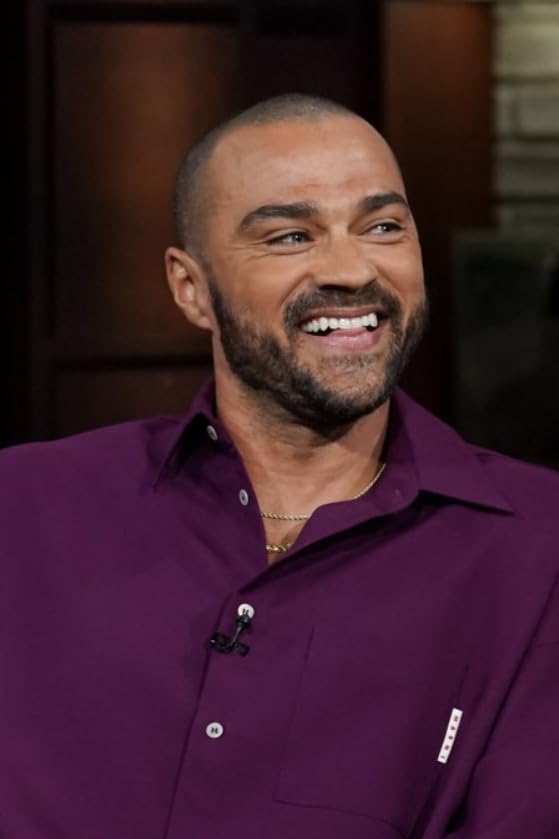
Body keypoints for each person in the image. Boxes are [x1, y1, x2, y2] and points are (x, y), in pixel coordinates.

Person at [1, 93, 558, 839]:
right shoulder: (25, 505)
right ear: (191, 289)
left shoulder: (537, 546)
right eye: (290, 236)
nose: (350, 269)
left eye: (383, 227)